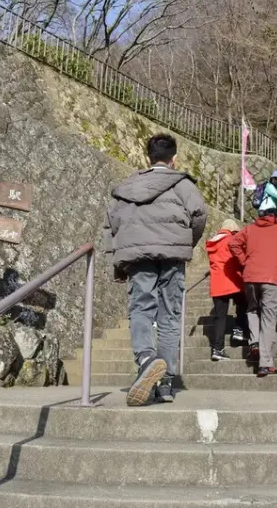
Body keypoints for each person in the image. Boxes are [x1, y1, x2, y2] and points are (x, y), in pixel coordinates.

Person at [103, 133, 208, 406]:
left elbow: (112, 221)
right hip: (173, 256)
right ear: (174, 159)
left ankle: (146, 359)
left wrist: (117, 259)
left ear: (146, 158)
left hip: (139, 255)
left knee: (141, 308)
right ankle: (166, 384)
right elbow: (199, 215)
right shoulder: (183, 184)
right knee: (170, 315)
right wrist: (186, 242)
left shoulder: (128, 185)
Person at [228, 208, 277, 377]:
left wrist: (243, 261)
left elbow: (233, 243)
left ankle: (254, 343)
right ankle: (265, 363)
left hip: (250, 277)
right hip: (271, 278)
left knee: (252, 310)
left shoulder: (249, 228)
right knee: (268, 319)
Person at [205, 219, 249, 361]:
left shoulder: (212, 241)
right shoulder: (232, 239)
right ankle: (239, 329)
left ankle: (217, 349)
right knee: (243, 303)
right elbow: (238, 259)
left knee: (220, 318)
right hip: (233, 280)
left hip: (217, 283)